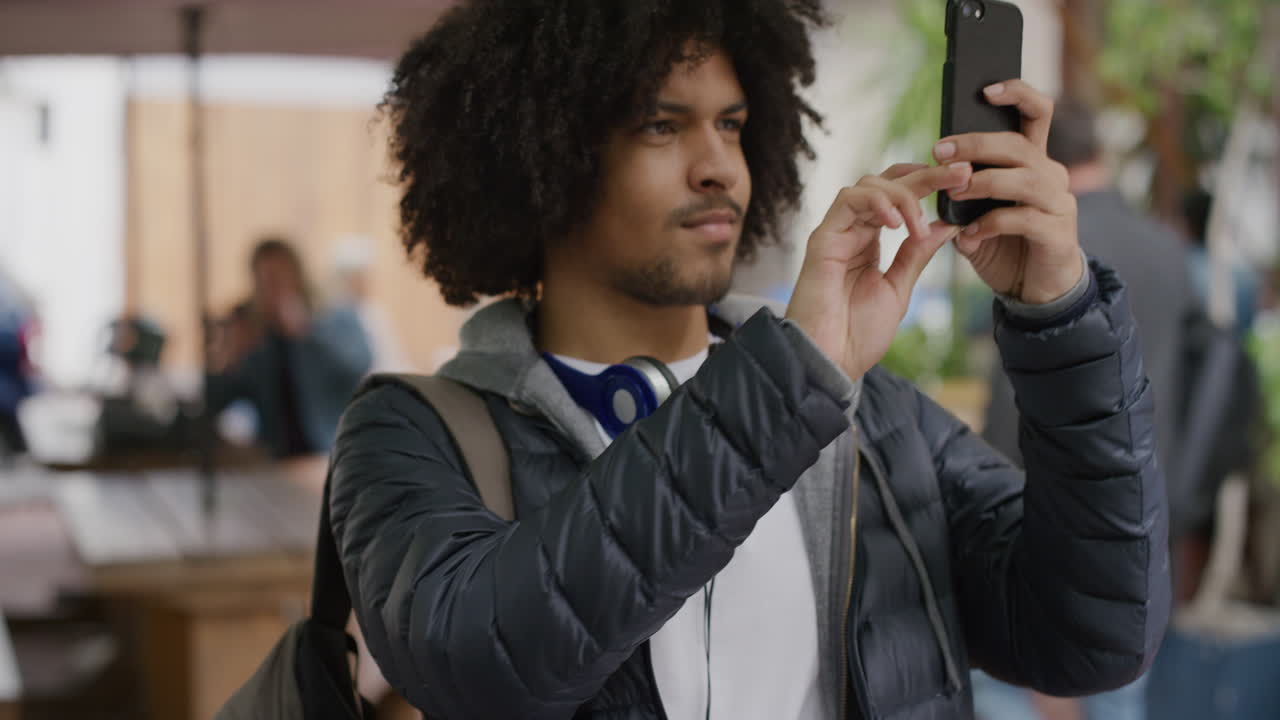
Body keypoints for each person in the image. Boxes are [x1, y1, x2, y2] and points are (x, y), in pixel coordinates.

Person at [329, 3, 1170, 719]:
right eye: (661, 125)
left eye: (731, 125)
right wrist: (790, 380)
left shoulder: (871, 417)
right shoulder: (410, 431)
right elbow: (483, 664)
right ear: (539, 154)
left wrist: (1059, 316)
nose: (719, 168)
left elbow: (1096, 635)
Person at [976, 99, 1191, 720]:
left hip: (1050, 538)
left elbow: (1011, 410)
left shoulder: (1041, 249)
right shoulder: (1167, 249)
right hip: (1144, 525)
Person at [207, 237, 372, 458]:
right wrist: (230, 358)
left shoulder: (335, 315)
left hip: (331, 452)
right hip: (277, 459)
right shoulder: (259, 337)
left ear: (297, 277)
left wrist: (307, 331)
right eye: (263, 282)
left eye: (277, 279)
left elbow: (358, 364)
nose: (272, 291)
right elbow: (217, 400)